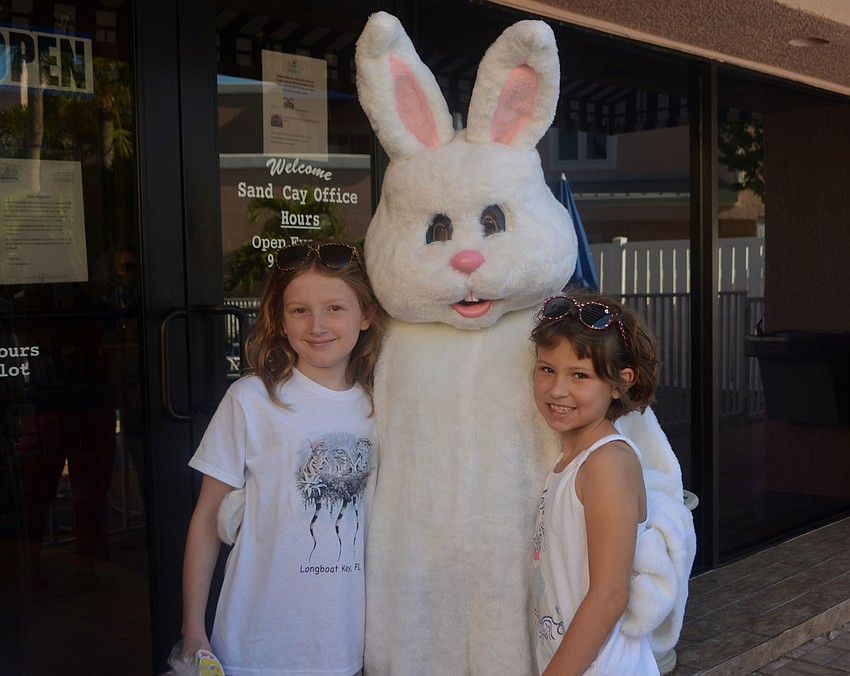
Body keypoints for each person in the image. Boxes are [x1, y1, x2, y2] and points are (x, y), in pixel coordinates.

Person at [181, 241, 384, 675]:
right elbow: (206, 519)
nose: (317, 325)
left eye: (335, 308)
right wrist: (193, 628)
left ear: (366, 315)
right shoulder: (251, 399)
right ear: (280, 317)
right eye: (299, 310)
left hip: (342, 645)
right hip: (253, 644)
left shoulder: (381, 406)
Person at [530, 290, 661, 675]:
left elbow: (609, 595)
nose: (557, 389)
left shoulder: (606, 463)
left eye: (580, 375)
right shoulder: (568, 460)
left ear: (620, 384)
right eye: (547, 369)